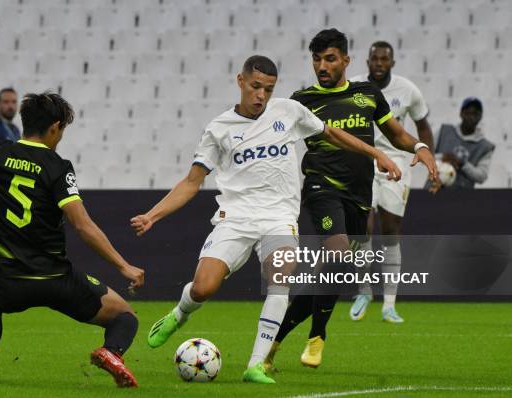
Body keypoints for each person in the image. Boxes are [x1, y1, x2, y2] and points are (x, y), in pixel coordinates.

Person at [130, 55, 401, 384]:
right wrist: (152, 215)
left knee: (280, 277)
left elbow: (331, 133)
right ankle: (180, 313)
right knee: (204, 288)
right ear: (240, 81)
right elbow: (191, 182)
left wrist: (377, 154)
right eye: (256, 86)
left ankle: (256, 364)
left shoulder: (288, 111)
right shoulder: (219, 129)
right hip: (236, 218)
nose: (261, 95)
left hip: (279, 217)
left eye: (268, 89)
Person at [0, 65, 144, 388]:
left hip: (7, 281)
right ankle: (111, 352)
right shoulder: (58, 167)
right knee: (125, 316)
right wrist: (123, 265)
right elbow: (83, 226)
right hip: (55, 280)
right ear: (55, 128)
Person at [265, 29, 437, 371]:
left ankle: (274, 343)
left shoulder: (368, 94)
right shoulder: (301, 100)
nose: (322, 66)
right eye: (316, 59)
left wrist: (420, 147)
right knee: (338, 252)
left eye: (329, 59)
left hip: (359, 197)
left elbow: (397, 134)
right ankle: (317, 337)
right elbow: (270, 141)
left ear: (346, 60)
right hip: (321, 188)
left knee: (329, 275)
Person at [347, 41, 435, 324]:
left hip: (397, 162)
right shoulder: (355, 86)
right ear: (368, 61)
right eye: (375, 58)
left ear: (392, 63)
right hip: (363, 160)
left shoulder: (408, 90)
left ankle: (389, 304)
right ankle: (363, 290)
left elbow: (422, 126)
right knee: (362, 225)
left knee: (390, 229)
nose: (380, 63)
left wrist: (428, 158)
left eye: (385, 59)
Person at [434, 97, 495, 189]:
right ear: (461, 114)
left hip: (463, 197)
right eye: (468, 113)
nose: (471, 117)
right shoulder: (444, 131)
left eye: (475, 114)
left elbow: (482, 176)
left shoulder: (485, 146)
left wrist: (462, 164)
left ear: (480, 117)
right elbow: (425, 155)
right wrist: (442, 157)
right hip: (433, 190)